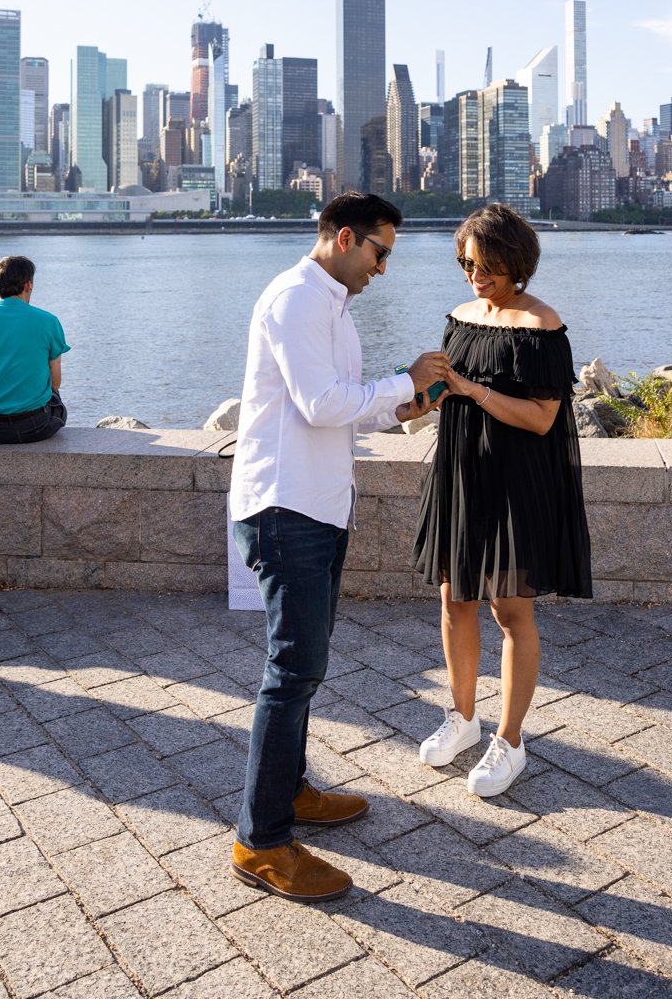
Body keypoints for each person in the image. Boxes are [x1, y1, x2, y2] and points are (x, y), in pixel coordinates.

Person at [229, 191, 452, 902]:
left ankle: (290, 793)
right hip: (284, 505)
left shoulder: (330, 304)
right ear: (346, 237)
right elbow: (320, 403)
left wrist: (409, 402)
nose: (383, 268)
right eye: (380, 252)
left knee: (303, 666)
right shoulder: (296, 299)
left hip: (318, 503)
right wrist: (402, 381)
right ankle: (260, 843)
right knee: (291, 671)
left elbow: (342, 405)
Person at [411, 203, 591, 798]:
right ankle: (463, 719)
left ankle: (511, 742)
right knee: (454, 599)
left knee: (510, 612)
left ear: (515, 261)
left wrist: (469, 388)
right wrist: (417, 396)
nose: (474, 275)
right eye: (466, 263)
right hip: (462, 472)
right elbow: (443, 392)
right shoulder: (461, 316)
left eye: (485, 264)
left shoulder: (542, 326)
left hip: (518, 479)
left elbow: (542, 420)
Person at [0, 256, 69, 444]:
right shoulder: (48, 321)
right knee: (54, 397)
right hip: (33, 427)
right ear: (28, 285)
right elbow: (55, 383)